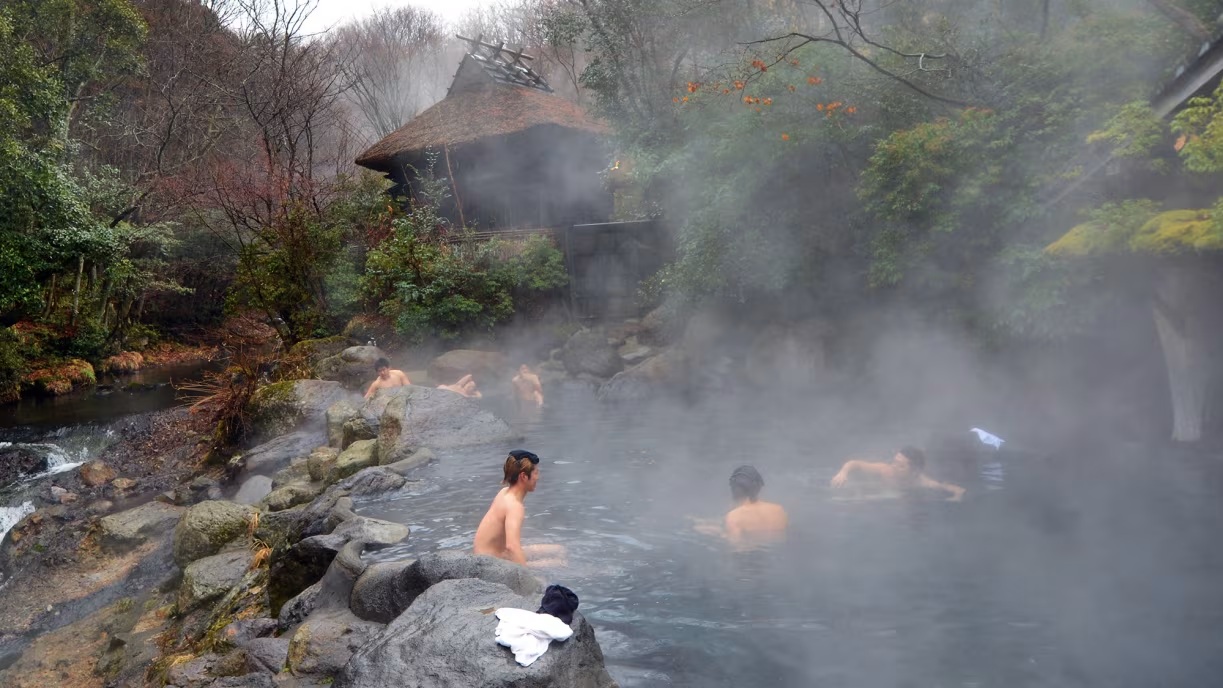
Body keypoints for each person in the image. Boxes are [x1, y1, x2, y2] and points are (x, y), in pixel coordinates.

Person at [473, 450, 566, 567]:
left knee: (560, 550)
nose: (538, 477)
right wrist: (528, 575)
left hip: (487, 556)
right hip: (491, 565)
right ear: (523, 476)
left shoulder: (504, 492)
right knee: (560, 562)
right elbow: (512, 547)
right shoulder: (515, 506)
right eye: (536, 473)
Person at [693, 465, 788, 547]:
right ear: (758, 487)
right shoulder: (778, 510)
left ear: (734, 488)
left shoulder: (735, 516)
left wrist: (719, 535)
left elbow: (736, 547)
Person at [830, 446, 966, 501]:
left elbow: (958, 489)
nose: (894, 467)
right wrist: (843, 473)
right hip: (876, 489)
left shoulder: (922, 482)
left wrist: (956, 497)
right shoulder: (885, 470)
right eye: (894, 462)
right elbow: (855, 463)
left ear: (914, 471)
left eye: (900, 466)